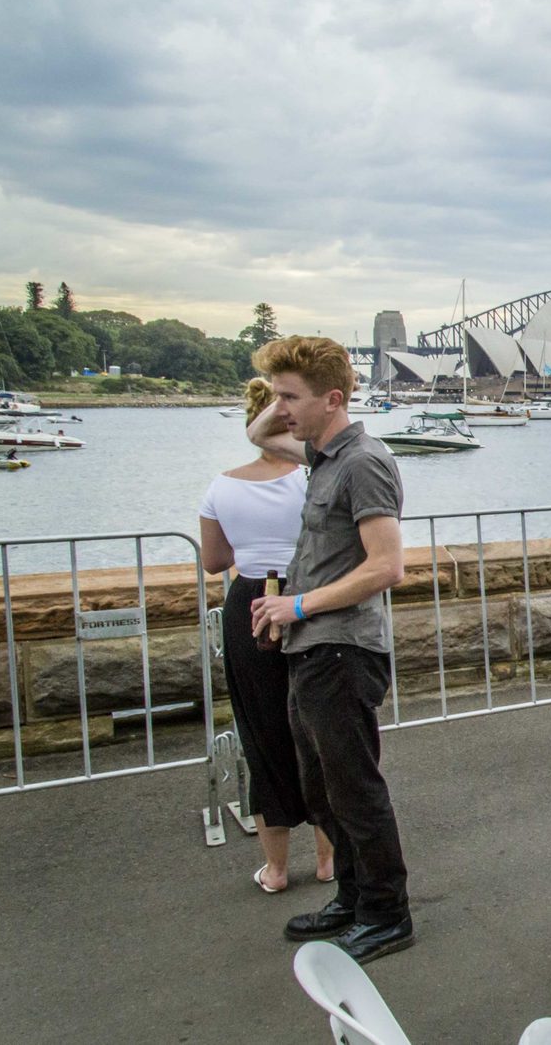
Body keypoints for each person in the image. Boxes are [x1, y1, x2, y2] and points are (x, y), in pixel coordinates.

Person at [245, 336, 414, 964]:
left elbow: (388, 566)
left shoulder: (363, 461)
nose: (279, 407)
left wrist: (297, 605)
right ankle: (351, 897)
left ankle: (386, 913)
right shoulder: (323, 458)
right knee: (321, 791)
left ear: (334, 399)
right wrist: (284, 393)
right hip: (312, 650)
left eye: (292, 396)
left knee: (354, 790)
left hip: (342, 651)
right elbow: (259, 435)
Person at [199, 378, 334, 894]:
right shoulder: (312, 479)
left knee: (261, 732)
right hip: (307, 598)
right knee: (318, 730)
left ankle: (276, 870)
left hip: (250, 602)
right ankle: (327, 859)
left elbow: (215, 561)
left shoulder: (221, 486)